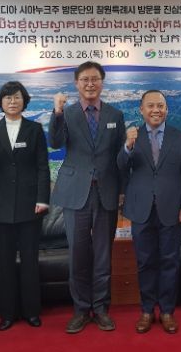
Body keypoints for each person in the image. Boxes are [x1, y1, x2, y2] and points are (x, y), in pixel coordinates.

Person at [48, 61, 125, 333]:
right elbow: (55, 142)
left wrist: (122, 191)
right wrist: (57, 113)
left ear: (102, 82)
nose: (90, 84)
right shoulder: (66, 113)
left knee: (103, 256)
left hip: (106, 192)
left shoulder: (115, 114)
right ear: (76, 83)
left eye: (95, 79)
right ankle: (81, 309)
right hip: (75, 192)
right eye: (85, 80)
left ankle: (101, 308)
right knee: (78, 255)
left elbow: (120, 156)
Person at [117, 90, 181, 334]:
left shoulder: (180, 137)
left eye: (160, 106)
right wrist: (127, 146)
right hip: (141, 209)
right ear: (141, 110)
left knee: (170, 261)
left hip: (171, 208)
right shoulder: (132, 136)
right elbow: (120, 167)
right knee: (145, 262)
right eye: (150, 106)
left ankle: (168, 311)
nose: (155, 110)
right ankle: (147, 310)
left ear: (167, 110)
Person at [0, 81, 50, 331]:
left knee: (30, 261)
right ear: (0, 102)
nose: (12, 101)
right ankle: (7, 313)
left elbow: (42, 166)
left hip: (30, 206)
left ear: (24, 101)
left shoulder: (34, 129)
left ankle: (32, 311)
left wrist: (42, 199)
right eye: (8, 98)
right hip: (1, 206)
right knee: (6, 262)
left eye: (17, 97)